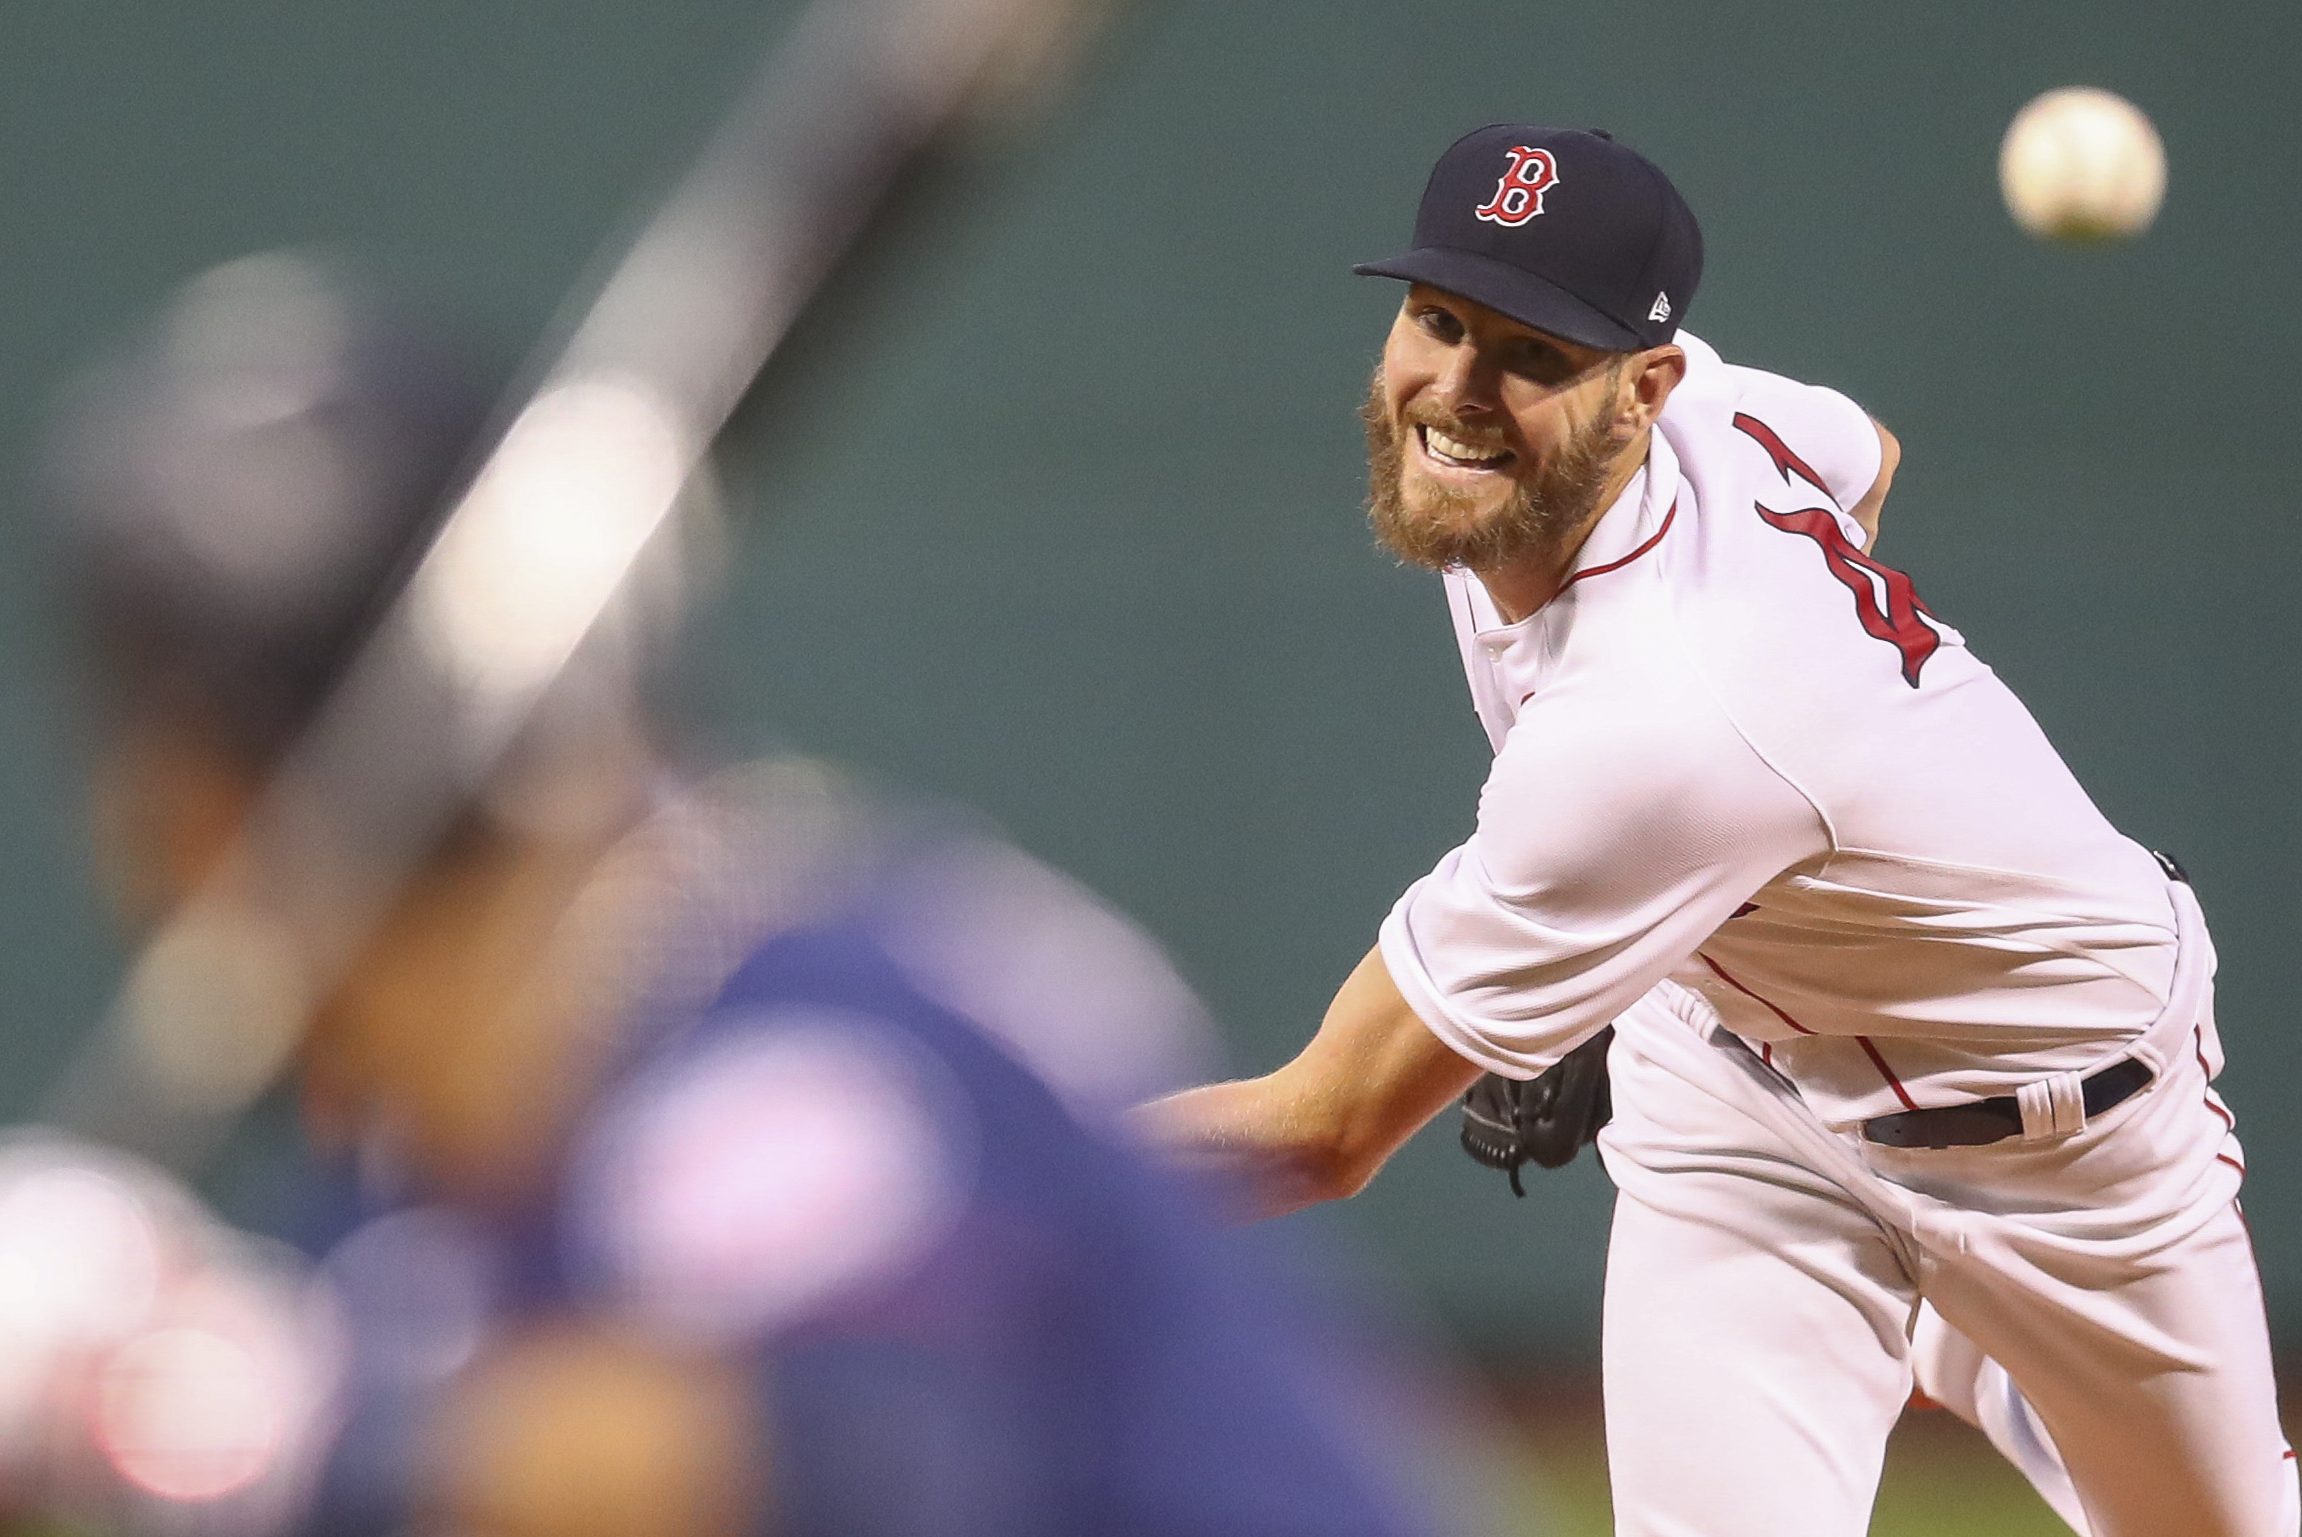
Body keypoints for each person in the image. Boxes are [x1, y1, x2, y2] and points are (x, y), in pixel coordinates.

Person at [41, 252, 1471, 1537]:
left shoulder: (811, 1030)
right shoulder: (416, 1186)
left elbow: (879, 1460)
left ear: (195, 814)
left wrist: (203, 1410)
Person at [1142, 123, 2296, 1537]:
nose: (1457, 386)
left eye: (1529, 354)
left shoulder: (1667, 718)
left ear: (1642, 389)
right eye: (1435, 318)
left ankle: (1979, 1333)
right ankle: (1955, 1330)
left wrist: (987, 1175)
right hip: (1738, 1092)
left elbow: (1317, 1131)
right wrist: (1688, 907)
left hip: (2057, 1138)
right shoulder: (1698, 420)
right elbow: (1858, 450)